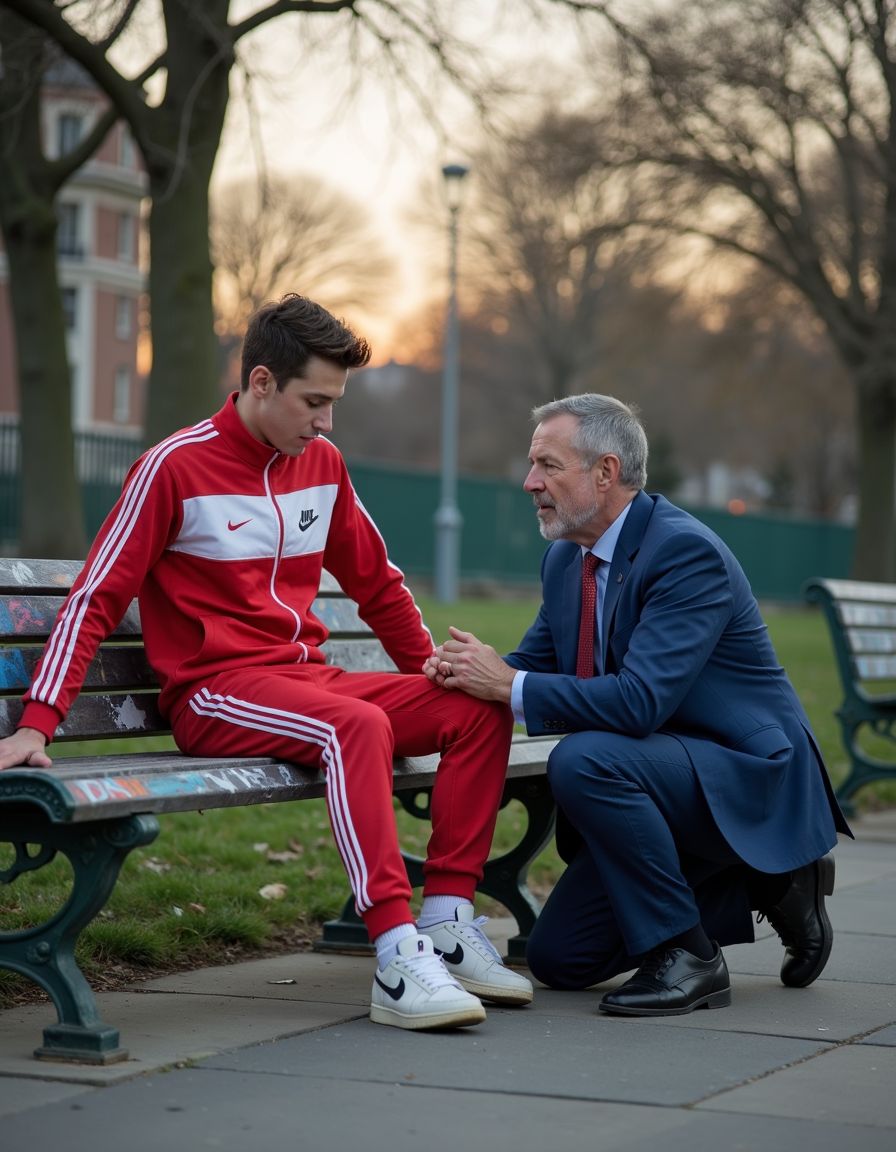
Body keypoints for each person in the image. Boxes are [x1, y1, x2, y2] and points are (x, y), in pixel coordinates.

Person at [0, 293, 532, 1031]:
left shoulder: (323, 465)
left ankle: (444, 919)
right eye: (314, 400)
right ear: (260, 383)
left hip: (306, 681)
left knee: (477, 706)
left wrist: (428, 673)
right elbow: (94, 596)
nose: (325, 421)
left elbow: (376, 581)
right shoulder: (173, 469)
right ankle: (395, 955)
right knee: (356, 728)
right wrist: (38, 723)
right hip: (215, 694)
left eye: (334, 403)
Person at [425, 393, 851, 1017]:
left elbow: (639, 702)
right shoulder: (565, 558)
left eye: (548, 465)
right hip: (660, 774)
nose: (529, 482)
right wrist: (467, 672)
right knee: (559, 962)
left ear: (606, 471)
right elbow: (534, 665)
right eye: (531, 464)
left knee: (586, 759)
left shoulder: (684, 552)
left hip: (744, 772)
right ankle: (770, 878)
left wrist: (506, 686)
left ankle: (690, 954)